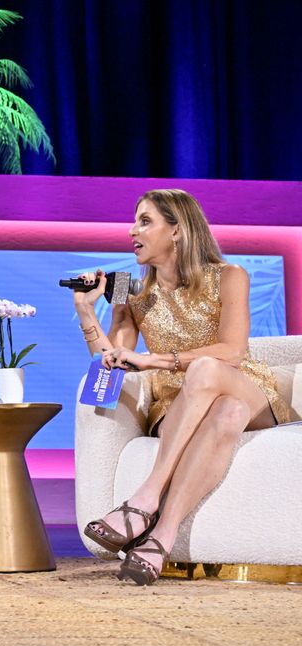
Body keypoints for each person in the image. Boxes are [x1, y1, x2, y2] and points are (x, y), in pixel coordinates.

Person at [74, 189, 289, 586]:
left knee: (209, 372)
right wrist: (87, 311)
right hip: (179, 405)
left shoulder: (229, 275)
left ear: (176, 229)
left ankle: (144, 500)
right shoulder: (128, 290)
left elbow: (233, 350)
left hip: (243, 387)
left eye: (144, 221)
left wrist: (156, 360)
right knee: (228, 413)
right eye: (134, 221)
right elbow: (115, 360)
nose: (130, 230)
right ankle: (161, 536)